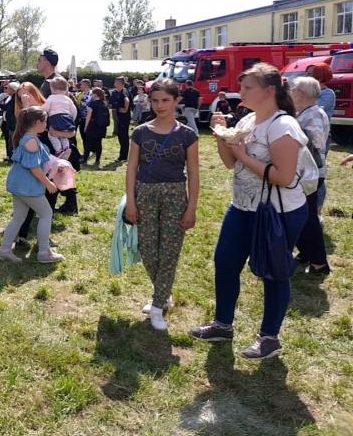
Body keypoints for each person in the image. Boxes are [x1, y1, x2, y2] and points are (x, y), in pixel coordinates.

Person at [190, 63, 308, 360]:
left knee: (274, 272)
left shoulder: (283, 126)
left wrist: (242, 154)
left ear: (269, 91)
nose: (240, 91)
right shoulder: (249, 120)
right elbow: (231, 164)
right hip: (243, 207)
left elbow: (283, 176)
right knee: (225, 262)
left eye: (247, 87)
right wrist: (222, 139)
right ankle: (223, 325)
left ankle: (269, 338)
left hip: (277, 212)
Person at [124, 79, 200, 331]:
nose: (160, 105)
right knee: (147, 249)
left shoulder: (187, 135)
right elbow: (131, 168)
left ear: (177, 101)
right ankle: (163, 293)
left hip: (175, 195)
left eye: (165, 100)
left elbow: (194, 173)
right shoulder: (141, 132)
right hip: (145, 193)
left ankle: (157, 306)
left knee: (169, 251)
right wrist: (131, 201)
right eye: (155, 100)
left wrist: (192, 207)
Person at [0, 106, 64, 264]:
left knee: (18, 218)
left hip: (19, 186)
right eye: (45, 121)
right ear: (37, 122)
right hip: (28, 187)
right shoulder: (31, 141)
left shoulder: (28, 138)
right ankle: (44, 252)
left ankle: (4, 250)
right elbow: (34, 168)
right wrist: (48, 183)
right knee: (46, 214)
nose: (46, 124)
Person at [291, 77, 331, 275]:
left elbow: (316, 143)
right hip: (304, 172)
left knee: (307, 218)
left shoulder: (314, 114)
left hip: (310, 173)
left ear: (301, 94)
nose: (291, 92)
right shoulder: (306, 112)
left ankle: (319, 263)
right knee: (300, 214)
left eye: (294, 89)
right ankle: (306, 253)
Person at [308, 63, 335, 216]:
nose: (307, 75)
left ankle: (317, 212)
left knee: (318, 173)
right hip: (308, 137)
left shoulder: (327, 94)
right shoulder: (311, 93)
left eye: (310, 73)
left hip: (321, 138)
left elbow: (310, 107)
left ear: (319, 76)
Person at [42, 76, 78, 159]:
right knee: (63, 135)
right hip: (67, 118)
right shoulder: (67, 99)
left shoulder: (51, 97)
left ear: (52, 89)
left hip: (55, 118)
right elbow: (74, 110)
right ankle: (66, 148)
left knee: (52, 135)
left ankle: (58, 150)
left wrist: (41, 110)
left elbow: (45, 108)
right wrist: (72, 119)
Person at [83, 87, 109, 167]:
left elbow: (88, 116)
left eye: (92, 94)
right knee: (98, 143)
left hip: (92, 125)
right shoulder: (104, 103)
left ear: (95, 95)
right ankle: (97, 160)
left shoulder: (92, 104)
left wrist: (85, 127)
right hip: (101, 126)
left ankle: (85, 159)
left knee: (88, 143)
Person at [110, 77, 131, 162]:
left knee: (124, 136)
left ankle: (123, 156)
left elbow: (127, 100)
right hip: (119, 116)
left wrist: (125, 109)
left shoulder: (124, 91)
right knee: (119, 134)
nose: (114, 84)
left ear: (120, 83)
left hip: (124, 117)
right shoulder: (115, 92)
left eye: (116, 82)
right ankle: (122, 154)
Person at [0, 82, 18, 160]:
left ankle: (12, 158)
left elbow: (7, 107)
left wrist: (1, 105)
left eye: (7, 88)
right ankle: (9, 156)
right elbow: (0, 104)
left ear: (13, 90)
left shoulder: (15, 98)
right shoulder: (8, 97)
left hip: (12, 123)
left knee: (12, 141)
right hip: (6, 121)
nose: (6, 89)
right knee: (8, 139)